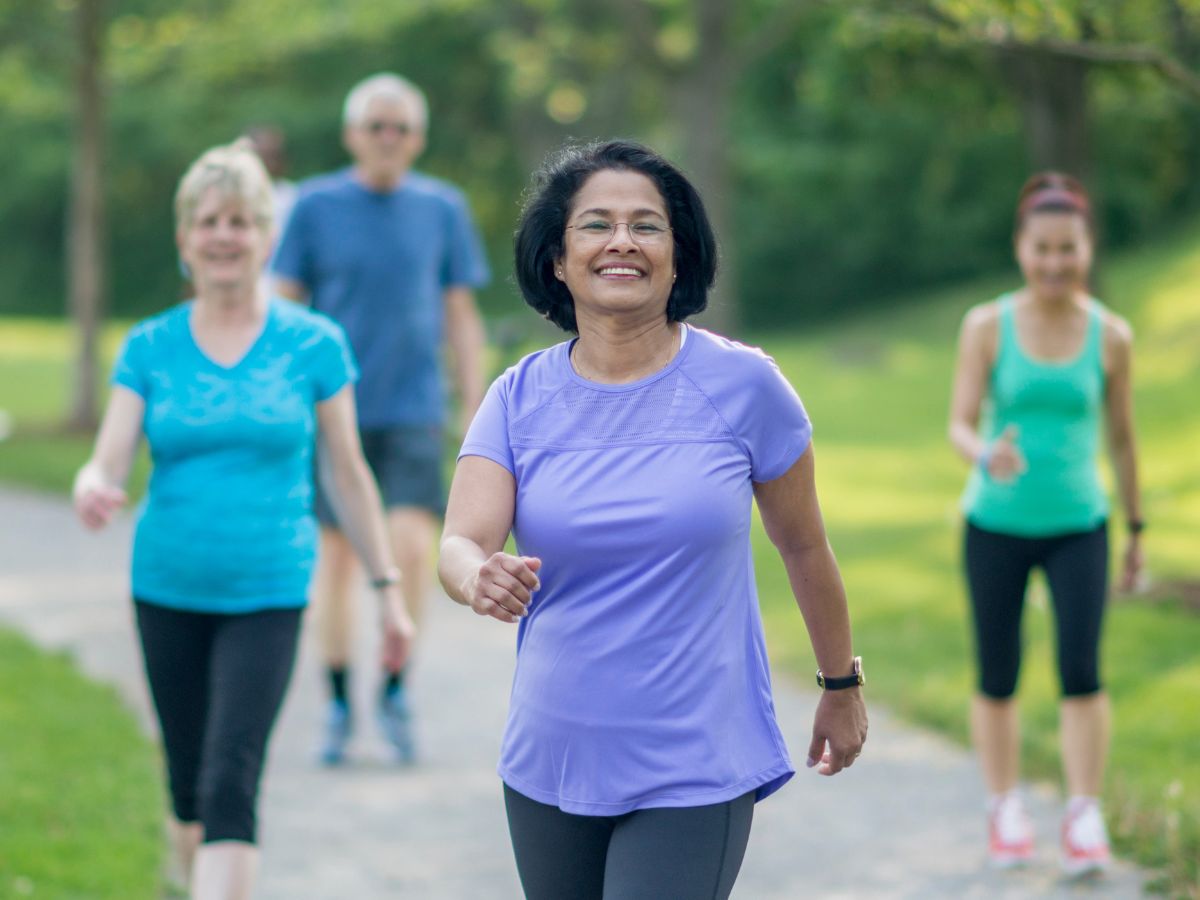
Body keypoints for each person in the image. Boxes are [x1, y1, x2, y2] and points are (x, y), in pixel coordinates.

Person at [438, 139, 868, 900]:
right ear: (557, 261)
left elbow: (803, 544)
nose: (622, 242)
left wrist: (841, 683)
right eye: (596, 225)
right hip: (550, 758)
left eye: (648, 226)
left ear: (679, 258)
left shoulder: (744, 386)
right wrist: (478, 576)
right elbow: (461, 541)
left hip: (695, 758)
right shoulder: (518, 396)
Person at [72, 140, 415, 900]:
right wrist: (93, 484)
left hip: (268, 588)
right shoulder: (151, 344)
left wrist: (388, 592)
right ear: (184, 238)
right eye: (208, 221)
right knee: (189, 785)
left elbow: (348, 471)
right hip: (167, 586)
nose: (224, 236)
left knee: (231, 778)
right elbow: (110, 454)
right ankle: (183, 874)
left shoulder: (313, 342)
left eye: (240, 221)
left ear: (265, 235)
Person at [273, 72, 490, 765]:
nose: (388, 138)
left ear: (418, 138)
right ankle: (338, 699)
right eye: (376, 126)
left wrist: (477, 404)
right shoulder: (313, 206)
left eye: (400, 128)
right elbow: (284, 305)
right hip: (332, 412)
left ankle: (395, 683)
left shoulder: (442, 209)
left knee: (408, 550)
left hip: (414, 408)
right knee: (336, 559)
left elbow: (460, 313)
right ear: (352, 135)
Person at [948, 172, 1143, 875]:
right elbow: (959, 423)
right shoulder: (986, 325)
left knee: (1081, 671)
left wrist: (1138, 528)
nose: (1055, 262)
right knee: (997, 671)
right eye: (1042, 248)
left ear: (1087, 248)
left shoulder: (1111, 335)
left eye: (1069, 248)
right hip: (995, 523)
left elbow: (1122, 439)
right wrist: (984, 454)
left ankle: (1083, 814)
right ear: (1021, 248)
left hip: (1079, 523)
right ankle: (1004, 808)